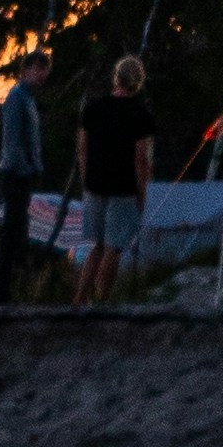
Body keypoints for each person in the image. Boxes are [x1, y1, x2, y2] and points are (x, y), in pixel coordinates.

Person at [74, 50, 155, 306]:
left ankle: (80, 296)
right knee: (114, 248)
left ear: (116, 78)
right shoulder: (141, 115)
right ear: (138, 82)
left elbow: (82, 148)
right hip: (123, 189)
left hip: (94, 186)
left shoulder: (93, 108)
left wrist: (86, 179)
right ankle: (102, 302)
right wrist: (143, 193)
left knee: (96, 246)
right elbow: (142, 159)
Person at [0, 61, 47, 304]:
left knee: (17, 231)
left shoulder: (28, 99)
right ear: (28, 70)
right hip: (14, 173)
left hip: (24, 172)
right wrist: (23, 169)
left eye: (44, 72)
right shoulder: (16, 97)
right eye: (39, 70)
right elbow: (12, 140)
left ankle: (4, 291)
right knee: (11, 231)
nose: (42, 76)